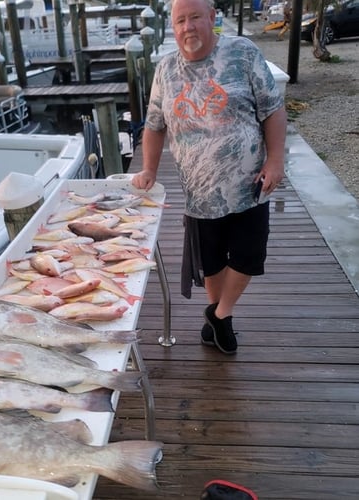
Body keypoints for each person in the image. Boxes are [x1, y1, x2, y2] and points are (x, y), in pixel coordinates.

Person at [131, 0, 287, 354]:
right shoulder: (166, 70)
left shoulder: (242, 53)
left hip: (250, 186)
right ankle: (221, 320)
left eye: (195, 17)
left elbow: (273, 110)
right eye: (180, 20)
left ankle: (220, 313)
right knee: (212, 263)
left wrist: (276, 160)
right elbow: (154, 127)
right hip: (199, 195)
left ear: (212, 19)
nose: (188, 27)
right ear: (173, 27)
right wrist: (149, 169)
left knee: (248, 256)